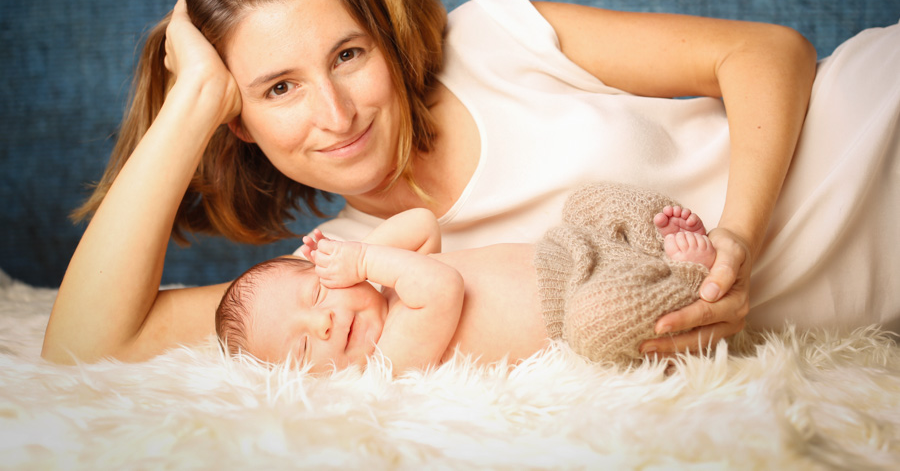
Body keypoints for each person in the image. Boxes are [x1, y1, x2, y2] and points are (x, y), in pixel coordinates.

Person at [42, 0, 900, 365]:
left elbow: (768, 52)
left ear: (383, 37)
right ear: (238, 118)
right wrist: (188, 100)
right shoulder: (347, 277)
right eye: (277, 88)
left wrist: (737, 238)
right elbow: (85, 346)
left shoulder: (496, 40)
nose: (336, 113)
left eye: (348, 55)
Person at [216, 183, 716, 373]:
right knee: (602, 321)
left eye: (317, 290)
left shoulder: (388, 284)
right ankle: (683, 274)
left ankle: (654, 237)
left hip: (565, 254)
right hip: (576, 310)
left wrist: (351, 254)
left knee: (585, 202)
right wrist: (362, 264)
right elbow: (441, 288)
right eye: (302, 348)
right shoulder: (392, 358)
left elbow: (422, 224)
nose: (323, 323)